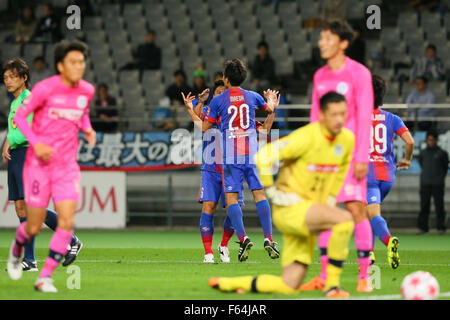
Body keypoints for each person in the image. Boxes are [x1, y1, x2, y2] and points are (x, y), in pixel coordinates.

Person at [210, 92, 356, 298]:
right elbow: (264, 156)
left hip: (310, 212)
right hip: (290, 208)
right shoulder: (306, 137)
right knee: (344, 221)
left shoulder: (347, 140)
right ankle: (332, 286)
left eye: (343, 114)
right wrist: (272, 192)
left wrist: (331, 198)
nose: (339, 119)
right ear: (321, 114)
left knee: (289, 284)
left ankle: (230, 283)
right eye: (334, 114)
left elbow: (341, 171)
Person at [6, 40, 96, 293]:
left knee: (49, 216)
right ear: (60, 65)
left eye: (81, 61)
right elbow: (19, 123)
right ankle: (26, 257)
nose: (79, 66)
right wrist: (8, 143)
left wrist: (87, 128)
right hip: (26, 155)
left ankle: (42, 267)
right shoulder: (33, 96)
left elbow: (80, 111)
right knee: (27, 214)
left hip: (45, 158)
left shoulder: (79, 91)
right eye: (73, 61)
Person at [302, 19, 374, 293]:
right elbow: (314, 116)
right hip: (323, 157)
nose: (322, 43)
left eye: (328, 38)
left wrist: (361, 156)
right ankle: (323, 275)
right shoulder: (320, 75)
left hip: (350, 155)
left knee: (356, 210)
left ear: (343, 43)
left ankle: (364, 275)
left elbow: (365, 115)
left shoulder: (359, 74)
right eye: (321, 38)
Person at [184, 59, 280, 262]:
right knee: (260, 194)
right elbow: (269, 111)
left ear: (226, 79)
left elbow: (203, 128)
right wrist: (271, 101)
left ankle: (243, 238)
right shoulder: (252, 97)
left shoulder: (219, 102)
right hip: (251, 154)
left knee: (231, 200)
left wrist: (192, 110)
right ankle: (269, 238)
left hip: (231, 158)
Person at [2, 58, 83, 272]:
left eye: (12, 77)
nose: (8, 82)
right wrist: (9, 142)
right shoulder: (15, 102)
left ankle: (71, 240)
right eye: (5, 78)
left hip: (29, 154)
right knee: (21, 207)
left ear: (24, 78)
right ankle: (30, 260)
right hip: (17, 155)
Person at [366, 75, 415, 268]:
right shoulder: (392, 118)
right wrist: (407, 160)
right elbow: (410, 141)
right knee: (367, 212)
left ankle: (388, 241)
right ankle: (368, 254)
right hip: (387, 175)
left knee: (371, 213)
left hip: (367, 173)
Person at [417, 129, 448, 234]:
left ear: (436, 140)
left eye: (432, 140)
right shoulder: (423, 153)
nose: (431, 142)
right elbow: (422, 165)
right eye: (429, 140)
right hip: (425, 183)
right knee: (424, 206)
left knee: (439, 206)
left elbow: (445, 168)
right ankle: (423, 228)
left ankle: (441, 228)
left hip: (438, 184)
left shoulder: (442, 153)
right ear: (426, 140)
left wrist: (439, 178)